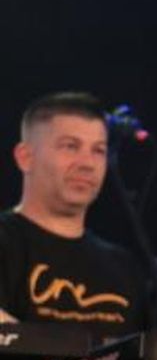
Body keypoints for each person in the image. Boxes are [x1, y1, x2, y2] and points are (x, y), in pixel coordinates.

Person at [0, 92, 148, 339]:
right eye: (70, 146)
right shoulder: (6, 242)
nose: (87, 163)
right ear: (25, 157)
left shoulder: (125, 268)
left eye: (98, 150)